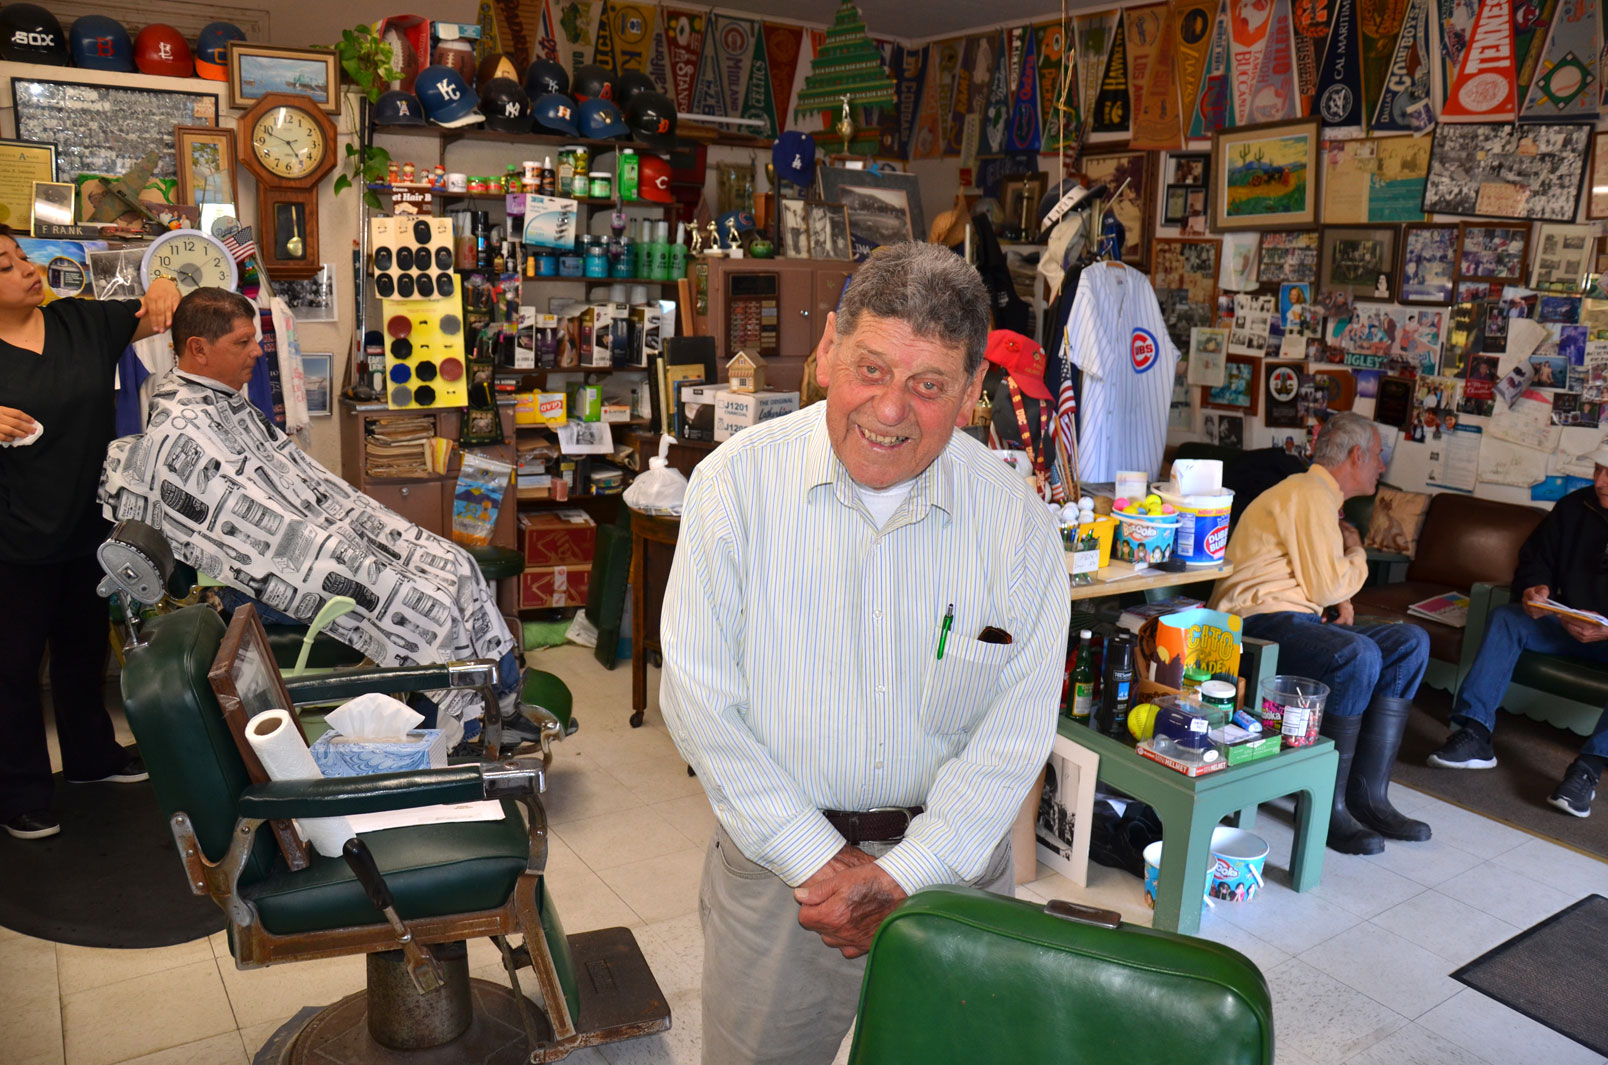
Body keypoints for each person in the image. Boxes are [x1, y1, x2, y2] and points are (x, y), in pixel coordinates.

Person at [659, 243, 1069, 1065]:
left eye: (928, 384)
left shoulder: (1015, 524)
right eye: (871, 369)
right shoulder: (735, 488)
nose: (890, 409)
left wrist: (905, 872)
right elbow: (700, 700)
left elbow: (1016, 731)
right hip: (781, 881)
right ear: (825, 355)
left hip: (952, 872)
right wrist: (821, 861)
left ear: (969, 392)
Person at [99, 288, 527, 749]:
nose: (258, 351)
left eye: (255, 339)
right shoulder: (180, 429)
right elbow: (240, 535)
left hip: (318, 548)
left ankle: (500, 705)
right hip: (258, 583)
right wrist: (347, 552)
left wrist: (352, 536)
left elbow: (300, 494)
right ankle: (452, 741)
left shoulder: (224, 402)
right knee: (428, 603)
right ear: (198, 348)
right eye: (242, 342)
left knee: (455, 565)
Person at [0, 223, 180, 840]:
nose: (26, 268)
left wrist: (160, 284)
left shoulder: (81, 322)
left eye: (21, 256)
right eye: (6, 265)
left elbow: (160, 309)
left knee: (83, 654)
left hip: (89, 527)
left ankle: (91, 759)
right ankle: (22, 790)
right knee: (13, 671)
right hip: (12, 542)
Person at [1209, 412, 1432, 855]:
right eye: (1378, 458)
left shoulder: (1320, 499)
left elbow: (1321, 583)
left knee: (1410, 643)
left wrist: (1337, 592)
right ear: (1356, 455)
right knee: (1358, 653)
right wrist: (1356, 551)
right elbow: (1328, 583)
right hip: (1255, 625)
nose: (1382, 468)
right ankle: (1326, 807)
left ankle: (1368, 797)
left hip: (1298, 618)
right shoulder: (1309, 492)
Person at [1427, 444, 1608, 817]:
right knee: (1508, 619)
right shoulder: (1576, 506)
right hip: (1564, 623)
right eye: (1599, 469)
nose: (1601, 481)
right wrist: (1535, 587)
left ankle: (1588, 769)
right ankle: (1475, 732)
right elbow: (1535, 558)